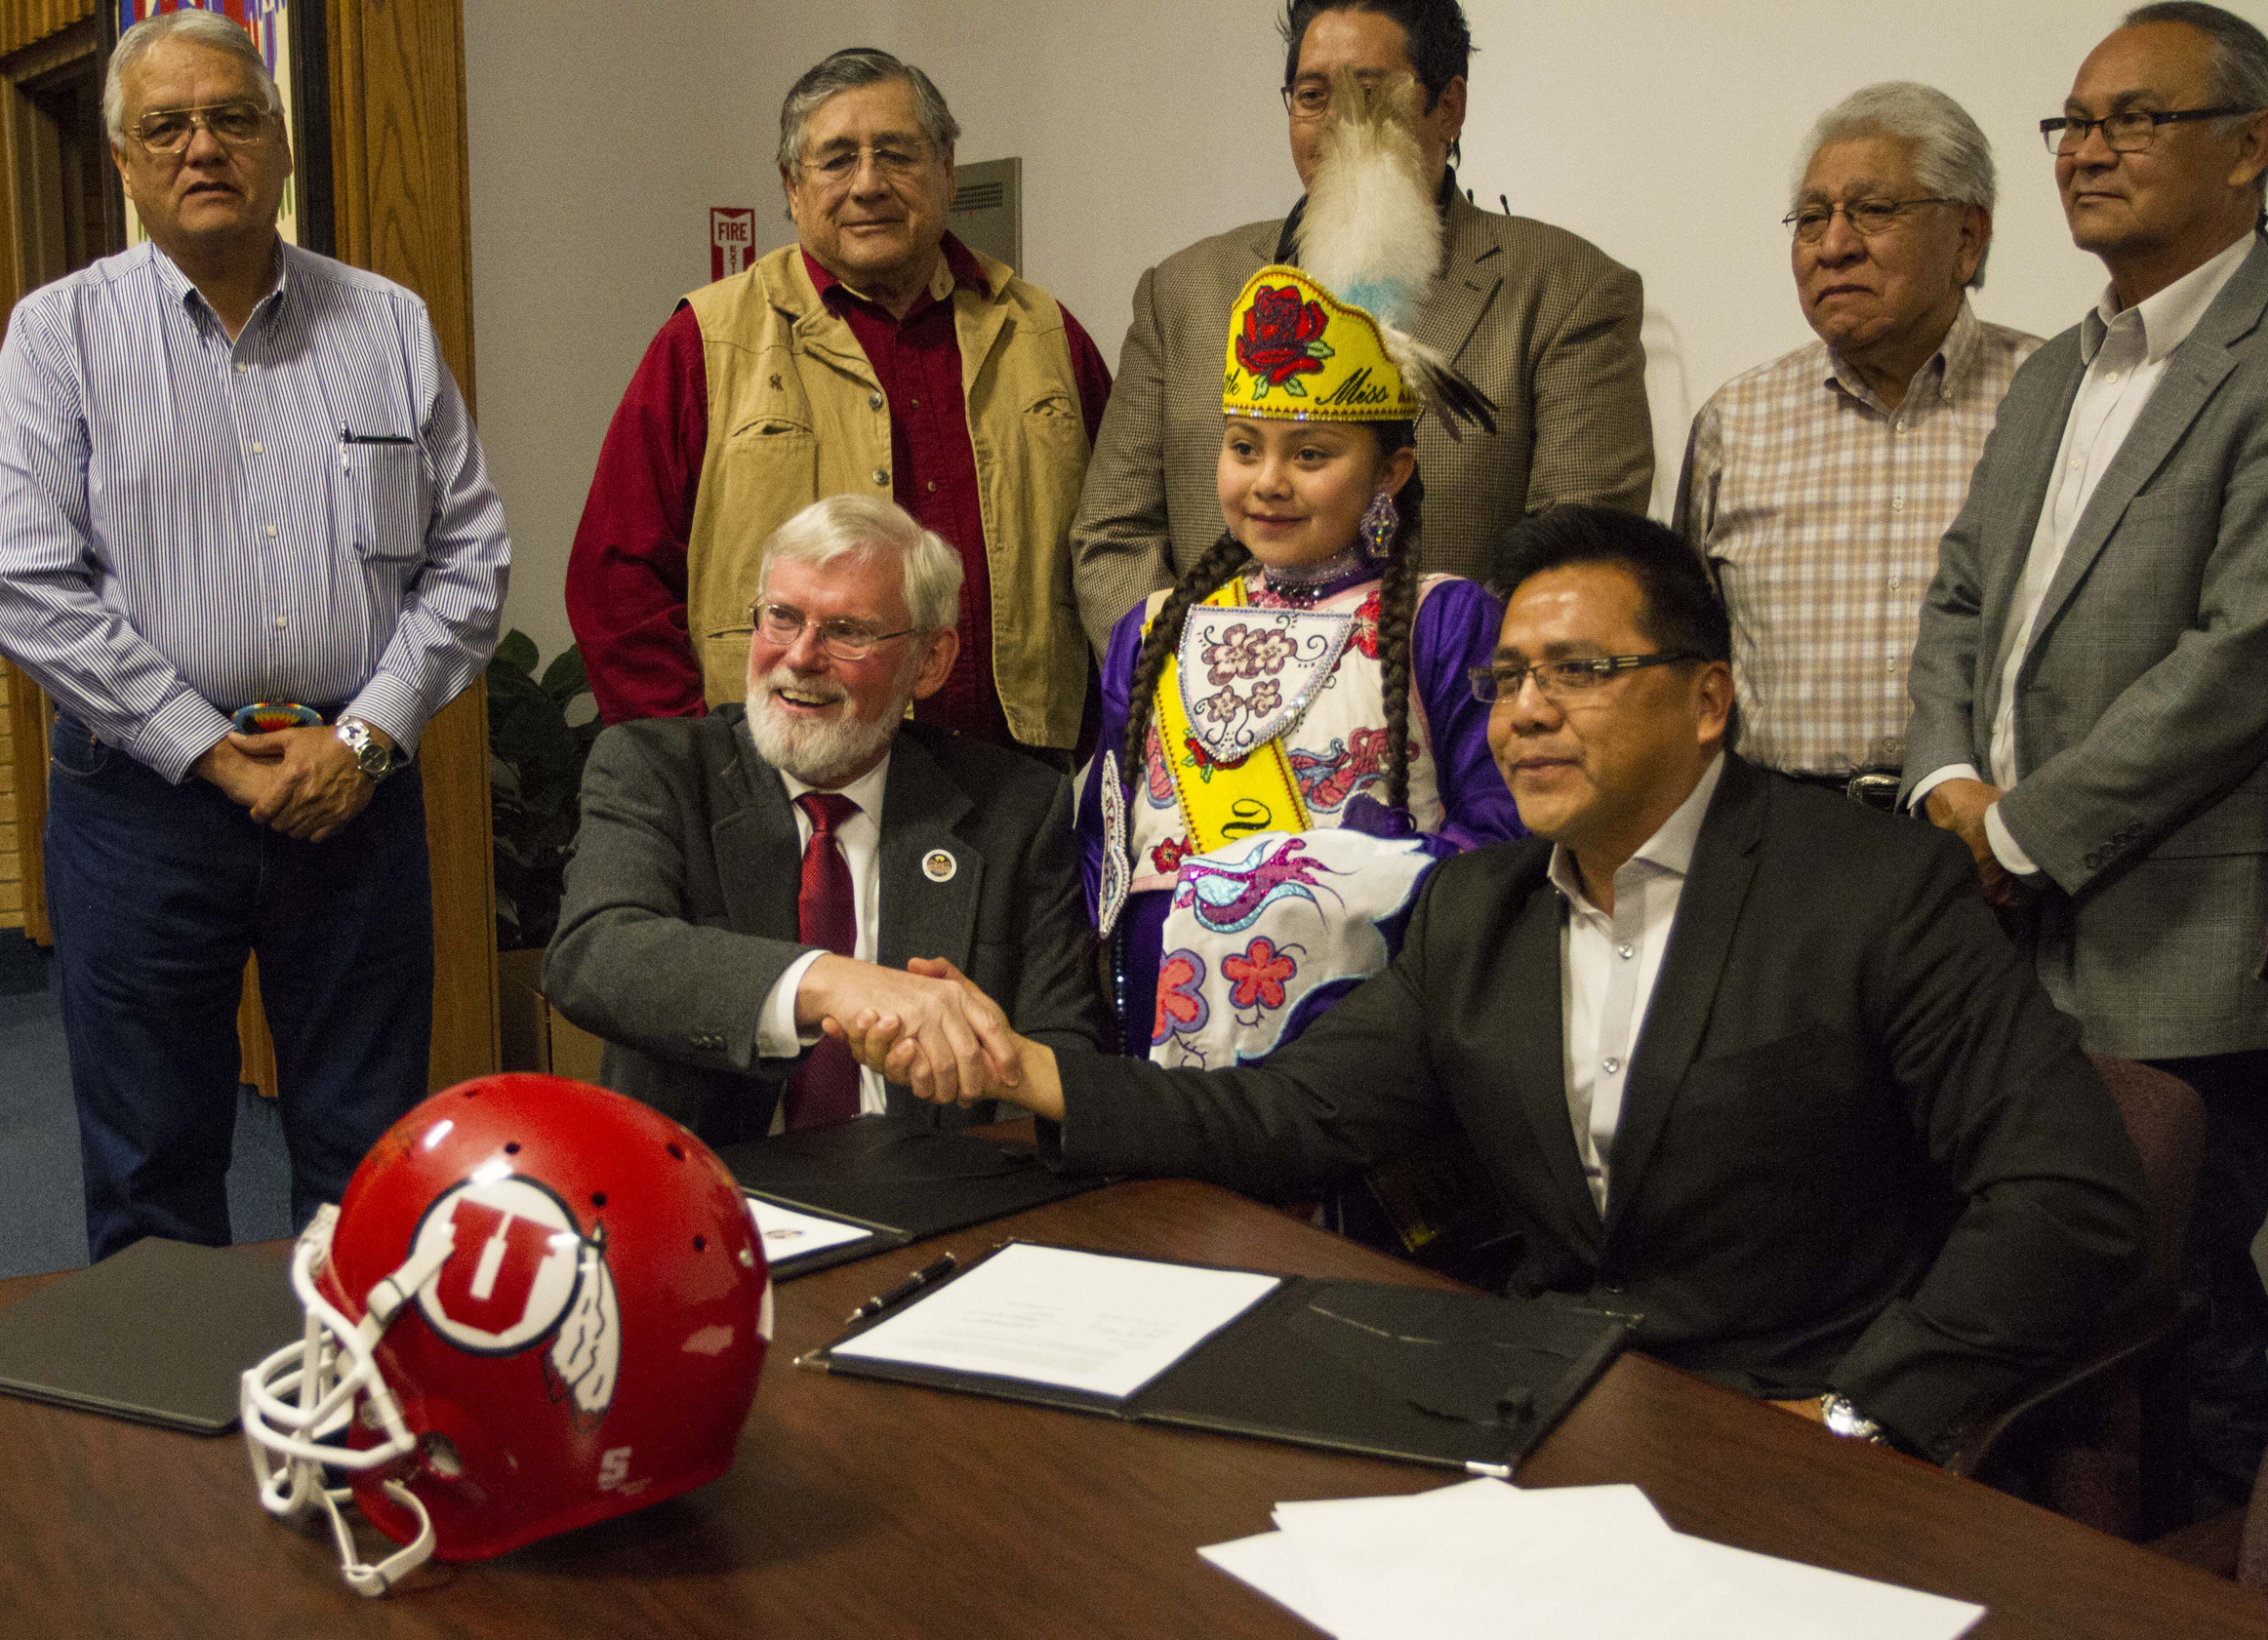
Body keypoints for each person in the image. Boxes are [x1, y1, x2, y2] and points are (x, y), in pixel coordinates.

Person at [856, 506, 2151, 1464]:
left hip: (1790, 1416)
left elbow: (2066, 1192)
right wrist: (1033, 1073)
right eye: (1508, 679)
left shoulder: (1871, 889)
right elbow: (1292, 1115)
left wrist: (1862, 1413)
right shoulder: (1482, 909)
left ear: (1708, 701)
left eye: (1578, 672)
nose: (1524, 713)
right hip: (1555, 1400)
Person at [0, 11, 509, 1261]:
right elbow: (29, 584)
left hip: (353, 795)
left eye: (231, 118)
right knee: (153, 1152)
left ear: (276, 145)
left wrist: (369, 736)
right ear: (123, 159)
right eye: (166, 126)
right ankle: (172, 1454)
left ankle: (361, 1425)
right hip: (142, 811)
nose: (201, 146)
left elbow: (468, 558)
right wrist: (209, 750)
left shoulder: (386, 325)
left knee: (368, 1148)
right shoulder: (60, 337)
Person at [1903, 3, 2268, 1512]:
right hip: (1986, 928)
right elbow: (1956, 602)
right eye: (2074, 123)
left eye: (2137, 118)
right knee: (2009, 1319)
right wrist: (1946, 792)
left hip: (2169, 938)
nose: (2089, 151)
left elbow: (2247, 655)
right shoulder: (2056, 370)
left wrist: (2015, 837)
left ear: (2252, 145)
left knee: (2184, 1335)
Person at [1081, 70, 1519, 1079]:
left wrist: (1347, 873)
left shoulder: (1449, 623)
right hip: (1161, 1039)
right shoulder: (1148, 629)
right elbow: (1102, 855)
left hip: (1365, 1048)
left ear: (1390, 470)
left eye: (1311, 454)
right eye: (1244, 446)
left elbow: (1503, 844)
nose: (1267, 483)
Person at [566, 47, 1113, 760]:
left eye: (896, 154)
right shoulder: (704, 342)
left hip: (1019, 785)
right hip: (782, 788)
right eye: (835, 160)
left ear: (946, 169)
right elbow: (616, 582)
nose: (868, 184)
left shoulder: (1046, 336)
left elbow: (1118, 550)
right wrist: (701, 766)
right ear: (792, 187)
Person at [1070, 0, 1653, 649]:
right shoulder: (1183, 293)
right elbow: (1113, 535)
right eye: (1314, 95)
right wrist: (1194, 694)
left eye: (1371, 96)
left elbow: (1581, 561)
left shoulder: (1568, 289)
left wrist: (1431, 707)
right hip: (1208, 730)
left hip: (1447, 730)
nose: (1340, 125)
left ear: (1449, 107)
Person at [547, 496, 1103, 1145]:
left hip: (935, 1196)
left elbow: (1067, 1059)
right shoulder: (658, 770)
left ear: (929, 660)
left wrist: (985, 1059)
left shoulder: (1017, 810)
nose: (801, 655)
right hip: (716, 1200)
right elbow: (597, 953)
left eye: (848, 631)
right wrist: (830, 982)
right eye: (781, 617)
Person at [1678, 83, 2041, 804]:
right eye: (1811, 219)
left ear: (1968, 238)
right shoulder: (1736, 420)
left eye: (1874, 211)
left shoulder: (2053, 395)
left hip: (1989, 835)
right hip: (1783, 835)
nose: (1835, 246)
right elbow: (1689, 651)